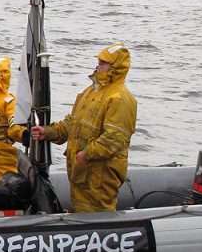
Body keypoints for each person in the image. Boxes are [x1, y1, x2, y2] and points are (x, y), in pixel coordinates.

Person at [30, 42, 137, 212]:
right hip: (81, 173)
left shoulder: (120, 98)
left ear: (115, 67)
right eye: (99, 62)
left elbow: (114, 138)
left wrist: (87, 154)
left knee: (94, 214)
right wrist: (48, 132)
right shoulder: (90, 92)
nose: (98, 66)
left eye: (104, 63)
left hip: (99, 176)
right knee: (78, 210)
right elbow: (72, 122)